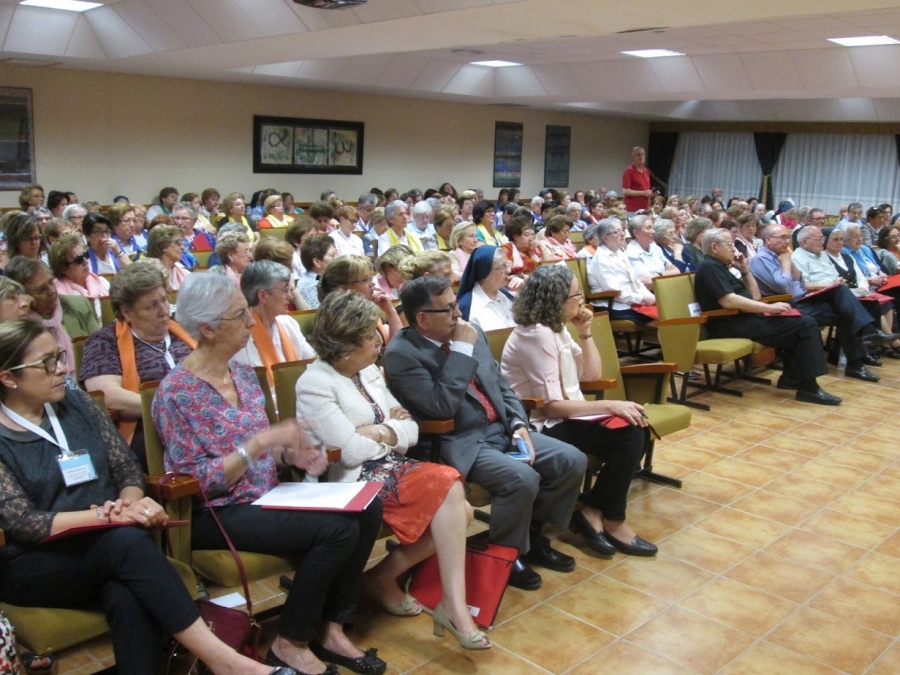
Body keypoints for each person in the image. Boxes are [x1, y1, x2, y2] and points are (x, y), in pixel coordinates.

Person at [0, 320, 297, 675]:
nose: (62, 368)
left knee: (126, 593)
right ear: (9, 377)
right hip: (35, 563)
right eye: (47, 362)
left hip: (108, 545)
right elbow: (25, 523)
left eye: (60, 356)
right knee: (126, 545)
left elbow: (126, 468)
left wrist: (130, 502)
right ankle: (227, 663)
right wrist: (109, 517)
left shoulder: (74, 401)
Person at [153, 273, 386, 675]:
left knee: (367, 504)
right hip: (217, 512)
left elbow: (266, 450)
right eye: (240, 316)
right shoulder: (177, 392)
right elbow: (198, 481)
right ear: (207, 328)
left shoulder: (241, 371)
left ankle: (331, 626)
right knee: (336, 530)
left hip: (267, 494)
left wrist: (292, 454)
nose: (250, 324)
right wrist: (261, 444)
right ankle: (291, 642)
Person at [296, 290, 489, 650]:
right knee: (450, 486)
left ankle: (387, 580)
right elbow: (349, 452)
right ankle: (453, 608)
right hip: (349, 480)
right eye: (370, 335)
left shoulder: (368, 371)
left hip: (390, 467)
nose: (380, 339)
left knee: (459, 510)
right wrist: (390, 429)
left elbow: (411, 430)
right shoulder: (315, 382)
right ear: (346, 342)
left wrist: (378, 431)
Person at [383, 276, 586, 592]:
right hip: (459, 439)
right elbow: (440, 407)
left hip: (501, 428)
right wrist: (462, 350)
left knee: (571, 460)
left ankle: (532, 535)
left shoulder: (469, 333)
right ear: (421, 319)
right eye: (448, 309)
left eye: (456, 305)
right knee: (520, 478)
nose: (458, 314)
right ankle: (505, 554)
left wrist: (519, 425)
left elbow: (500, 385)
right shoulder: (402, 354)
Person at [500, 265, 656, 556]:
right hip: (538, 423)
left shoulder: (557, 328)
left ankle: (593, 509)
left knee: (637, 428)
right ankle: (611, 518)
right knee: (630, 434)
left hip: (566, 414)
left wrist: (585, 332)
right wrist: (609, 404)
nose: (582, 300)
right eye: (577, 294)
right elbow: (551, 406)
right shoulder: (536, 334)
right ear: (556, 300)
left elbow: (591, 375)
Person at [694, 228, 841, 405]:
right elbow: (729, 302)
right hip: (728, 324)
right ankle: (808, 387)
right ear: (715, 247)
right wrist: (768, 309)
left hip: (743, 319)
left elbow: (755, 296)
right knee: (805, 325)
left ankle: (791, 377)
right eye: (730, 244)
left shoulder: (723, 267)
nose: (734, 249)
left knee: (801, 320)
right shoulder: (709, 267)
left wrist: (745, 270)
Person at [81, 264, 194, 469]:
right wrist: (175, 407)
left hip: (203, 418)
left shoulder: (184, 327)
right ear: (127, 312)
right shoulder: (104, 342)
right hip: (149, 432)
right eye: (152, 306)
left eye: (164, 300)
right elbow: (108, 395)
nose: (164, 311)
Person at [751, 224, 890, 383]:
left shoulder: (782, 255)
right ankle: (867, 334)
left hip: (800, 299)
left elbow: (800, 282)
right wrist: (786, 263)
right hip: (783, 305)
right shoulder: (760, 259)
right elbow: (785, 286)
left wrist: (789, 263)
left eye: (788, 237)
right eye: (782, 237)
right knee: (844, 305)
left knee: (846, 309)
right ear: (768, 239)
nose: (787, 242)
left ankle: (856, 363)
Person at [5, 257, 98, 374]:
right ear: (24, 296)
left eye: (51, 282)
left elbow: (101, 351)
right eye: (41, 289)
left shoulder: (78, 305)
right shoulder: (19, 324)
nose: (52, 291)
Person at [234, 261, 316, 383]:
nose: (290, 296)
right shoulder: (240, 336)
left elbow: (313, 361)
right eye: (285, 289)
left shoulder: (288, 322)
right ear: (263, 296)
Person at [318, 256, 403, 343]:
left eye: (370, 278)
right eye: (365, 280)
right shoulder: (340, 323)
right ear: (344, 288)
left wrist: (390, 312)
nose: (372, 283)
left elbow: (397, 348)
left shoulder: (367, 311)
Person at [586, 219, 655, 323]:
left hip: (629, 301)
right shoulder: (601, 259)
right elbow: (615, 292)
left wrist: (649, 296)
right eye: (616, 232)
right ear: (605, 238)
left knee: (666, 308)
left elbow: (635, 281)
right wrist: (641, 298)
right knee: (660, 317)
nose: (622, 234)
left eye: (622, 230)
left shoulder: (620, 253)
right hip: (613, 305)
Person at [50, 233, 111, 323]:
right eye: (78, 260)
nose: (85, 262)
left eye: (85, 255)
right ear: (63, 268)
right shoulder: (60, 297)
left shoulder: (102, 282)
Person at [456, 246, 518, 331]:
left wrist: (523, 290)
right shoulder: (468, 307)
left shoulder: (507, 295)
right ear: (485, 272)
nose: (509, 271)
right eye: (503, 266)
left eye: (507, 264)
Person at [625, 213, 678, 288]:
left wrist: (657, 275)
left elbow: (677, 271)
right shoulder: (631, 252)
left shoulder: (655, 248)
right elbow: (648, 282)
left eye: (652, 228)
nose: (653, 231)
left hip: (666, 288)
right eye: (648, 228)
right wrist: (666, 273)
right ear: (636, 233)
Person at [296, 235, 336, 310]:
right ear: (317, 262)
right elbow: (319, 314)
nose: (336, 259)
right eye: (332, 255)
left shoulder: (318, 277)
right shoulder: (311, 285)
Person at [146, 225, 192, 291]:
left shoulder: (184, 273)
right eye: (177, 243)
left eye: (181, 243)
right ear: (163, 245)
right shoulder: (149, 274)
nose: (182, 247)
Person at [621, 146, 654, 216]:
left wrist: (650, 194)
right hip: (633, 210)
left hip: (645, 208)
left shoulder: (646, 171)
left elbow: (646, 190)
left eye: (643, 154)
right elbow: (625, 191)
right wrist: (643, 193)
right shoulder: (629, 171)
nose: (641, 156)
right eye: (638, 154)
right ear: (633, 157)